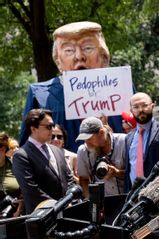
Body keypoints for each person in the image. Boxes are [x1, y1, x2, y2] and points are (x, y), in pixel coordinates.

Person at [20, 21, 123, 153]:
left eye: (88, 48)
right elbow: (26, 148)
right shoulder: (40, 95)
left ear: (103, 55)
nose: (79, 57)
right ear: (58, 59)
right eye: (69, 50)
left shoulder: (121, 87)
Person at [13, 109, 75, 214]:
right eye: (48, 126)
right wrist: (58, 206)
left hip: (67, 215)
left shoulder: (58, 150)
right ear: (33, 128)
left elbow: (69, 179)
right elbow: (31, 190)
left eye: (53, 125)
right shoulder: (21, 156)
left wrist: (69, 199)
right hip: (42, 219)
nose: (52, 129)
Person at [123, 92, 159, 192]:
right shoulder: (128, 138)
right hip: (134, 197)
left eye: (144, 105)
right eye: (136, 107)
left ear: (152, 106)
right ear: (131, 110)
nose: (141, 110)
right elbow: (129, 170)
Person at [76, 117, 126, 197]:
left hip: (126, 200)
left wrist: (117, 173)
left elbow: (136, 174)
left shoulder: (124, 142)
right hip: (101, 203)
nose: (86, 142)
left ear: (101, 133)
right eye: (84, 139)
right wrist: (90, 201)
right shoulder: (83, 150)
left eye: (89, 138)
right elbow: (84, 179)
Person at [0, 132, 24, 217]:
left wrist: (19, 208)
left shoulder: (16, 165)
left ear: (3, 149)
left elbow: (25, 191)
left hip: (14, 217)